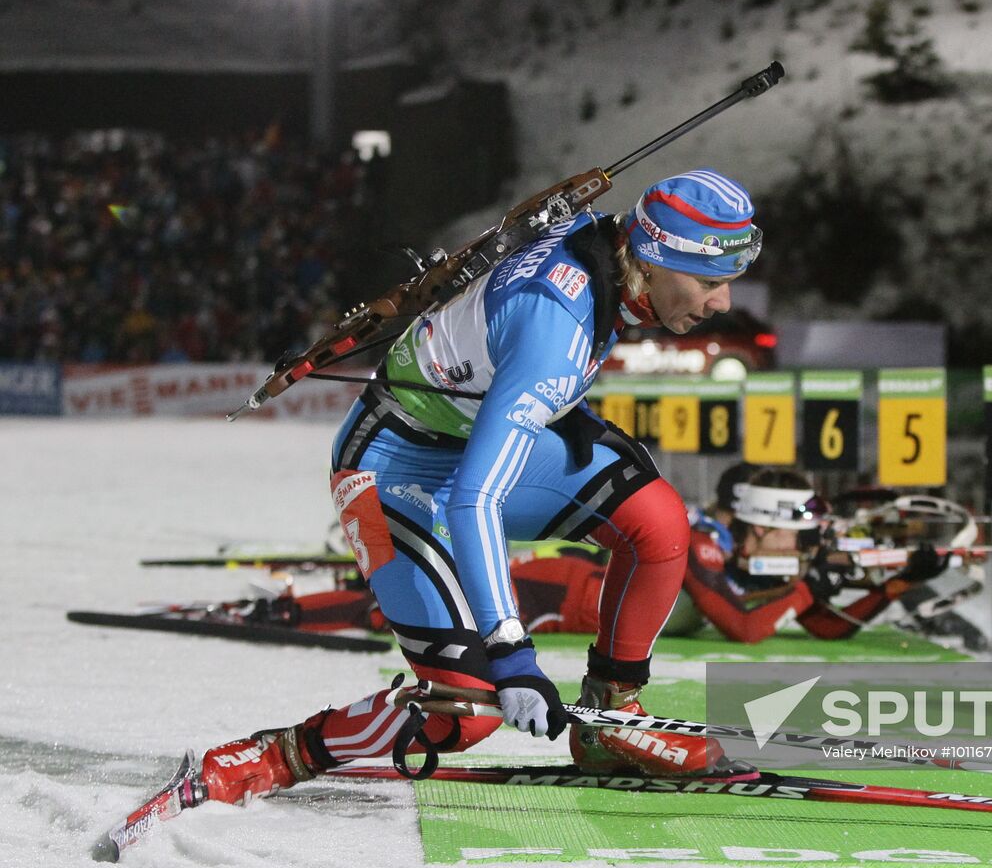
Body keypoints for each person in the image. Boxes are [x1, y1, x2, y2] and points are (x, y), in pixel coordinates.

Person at [195, 168, 764, 806]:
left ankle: (610, 719)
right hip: (385, 474)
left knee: (657, 522)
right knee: (464, 711)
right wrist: (512, 652)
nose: (721, 303)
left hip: (461, 444)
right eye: (710, 283)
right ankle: (277, 756)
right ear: (654, 260)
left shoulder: (601, 239)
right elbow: (477, 499)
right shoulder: (558, 332)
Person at [512, 466, 950, 645]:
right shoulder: (700, 540)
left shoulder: (747, 560)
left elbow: (827, 627)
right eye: (796, 536)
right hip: (543, 590)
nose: (804, 547)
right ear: (761, 528)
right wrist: (806, 588)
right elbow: (743, 627)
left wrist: (897, 585)